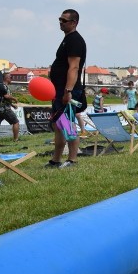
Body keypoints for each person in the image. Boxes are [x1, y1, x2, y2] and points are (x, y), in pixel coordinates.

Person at [47, 9, 87, 168]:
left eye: (64, 20)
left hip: (67, 90)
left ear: (74, 22)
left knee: (67, 124)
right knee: (58, 124)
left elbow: (74, 67)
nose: (61, 22)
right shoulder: (68, 39)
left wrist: (68, 91)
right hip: (59, 89)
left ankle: (72, 159)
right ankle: (55, 160)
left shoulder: (75, 40)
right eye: (60, 19)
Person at [0, 72, 20, 144]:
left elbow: (2, 99)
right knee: (16, 122)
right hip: (5, 109)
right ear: (6, 78)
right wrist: (14, 98)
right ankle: (16, 139)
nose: (11, 79)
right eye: (11, 77)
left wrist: (12, 105)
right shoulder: (4, 86)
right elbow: (6, 96)